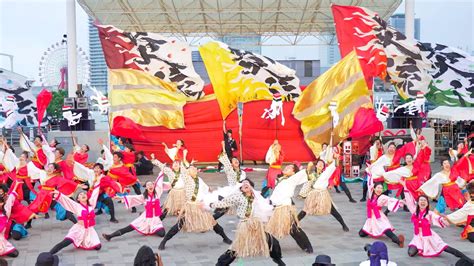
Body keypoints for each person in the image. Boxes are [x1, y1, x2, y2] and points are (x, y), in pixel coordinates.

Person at [211, 179, 284, 266]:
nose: (245, 184)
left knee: (272, 241)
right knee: (236, 247)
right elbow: (224, 202)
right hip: (245, 225)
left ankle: (278, 260)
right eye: (242, 184)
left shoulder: (257, 196)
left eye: (247, 183)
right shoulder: (237, 196)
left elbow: (266, 205)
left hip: (257, 225)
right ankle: (221, 264)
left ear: (251, 186)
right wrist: (211, 204)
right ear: (241, 188)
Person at [158, 166, 232, 250]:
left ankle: (225, 238)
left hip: (200, 206)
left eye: (195, 168)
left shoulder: (199, 180)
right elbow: (182, 170)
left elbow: (208, 189)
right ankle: (164, 241)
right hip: (190, 207)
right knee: (179, 225)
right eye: (192, 169)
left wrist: (218, 196)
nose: (195, 170)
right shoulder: (186, 179)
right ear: (188, 172)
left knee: (213, 223)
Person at [403, 188, 473, 261]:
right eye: (421, 200)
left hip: (429, 237)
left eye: (424, 201)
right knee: (410, 253)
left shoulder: (430, 214)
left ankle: (467, 259)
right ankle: (420, 247)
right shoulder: (415, 212)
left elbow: (438, 219)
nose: (422, 202)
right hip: (417, 238)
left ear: (427, 203)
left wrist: (445, 219)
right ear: (418, 202)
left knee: (447, 248)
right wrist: (405, 186)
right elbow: (409, 201)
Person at [102, 174, 167, 241]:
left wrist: (162, 171)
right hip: (145, 218)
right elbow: (132, 198)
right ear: (146, 188)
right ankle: (110, 236)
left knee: (162, 234)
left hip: (156, 220)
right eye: (148, 185)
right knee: (128, 228)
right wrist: (120, 197)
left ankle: (153, 227)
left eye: (151, 184)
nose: (150, 186)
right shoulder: (143, 197)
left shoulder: (157, 194)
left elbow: (159, 183)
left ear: (154, 186)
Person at [267, 162, 313, 253]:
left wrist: (309, 167)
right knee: (291, 229)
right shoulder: (281, 180)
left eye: (289, 168)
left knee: (294, 228)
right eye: (286, 166)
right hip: (276, 208)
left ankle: (308, 246)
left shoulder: (292, 179)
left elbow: (302, 173)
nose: (286, 167)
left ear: (293, 173)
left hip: (285, 208)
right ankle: (304, 246)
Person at [49, 178, 102, 254]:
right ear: (78, 199)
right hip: (79, 229)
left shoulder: (91, 205)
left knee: (98, 247)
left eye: (84, 194)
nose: (83, 195)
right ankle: (49, 254)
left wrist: (97, 182)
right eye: (80, 194)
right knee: (66, 242)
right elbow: (67, 201)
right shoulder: (77, 206)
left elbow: (94, 194)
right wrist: (58, 194)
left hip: (89, 230)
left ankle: (83, 242)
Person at [297, 157, 350, 232]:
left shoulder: (325, 174)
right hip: (313, 195)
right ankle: (295, 223)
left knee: (333, 210)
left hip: (323, 194)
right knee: (305, 210)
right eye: (319, 163)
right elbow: (304, 176)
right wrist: (308, 167)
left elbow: (333, 168)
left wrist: (336, 159)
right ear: (316, 166)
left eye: (322, 164)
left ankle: (343, 224)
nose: (320, 164)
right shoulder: (312, 175)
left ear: (323, 167)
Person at [359, 182, 405, 248]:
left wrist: (401, 201)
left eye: (381, 188)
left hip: (378, 216)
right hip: (371, 217)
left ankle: (398, 241)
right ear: (374, 189)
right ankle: (372, 230)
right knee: (361, 234)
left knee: (386, 230)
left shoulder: (382, 197)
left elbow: (390, 200)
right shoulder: (371, 195)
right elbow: (370, 182)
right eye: (378, 188)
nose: (379, 190)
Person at [151, 155, 186, 221]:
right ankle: (157, 222)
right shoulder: (170, 172)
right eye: (174, 163)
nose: (175, 164)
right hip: (173, 193)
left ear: (180, 166)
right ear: (172, 166)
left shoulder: (184, 173)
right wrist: (154, 159)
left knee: (185, 210)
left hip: (183, 193)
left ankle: (188, 224)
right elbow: (161, 166)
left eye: (177, 163)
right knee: (166, 208)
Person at [0, 182, 21, 257]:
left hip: (10, 225)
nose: (0, 204)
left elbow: (11, 198)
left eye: (1, 202)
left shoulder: (6, 209)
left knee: (15, 253)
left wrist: (16, 185)